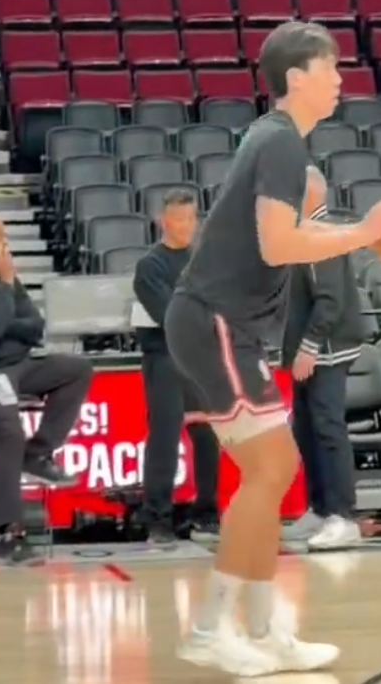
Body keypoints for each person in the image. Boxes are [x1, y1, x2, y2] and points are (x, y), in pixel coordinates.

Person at [165, 21, 381, 677]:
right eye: (331, 68)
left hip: (222, 323)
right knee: (273, 468)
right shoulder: (278, 139)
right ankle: (210, 629)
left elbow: (287, 237)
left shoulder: (275, 139)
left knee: (271, 472)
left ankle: (263, 628)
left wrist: (354, 231)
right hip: (217, 319)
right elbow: (278, 245)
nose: (341, 79)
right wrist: (363, 233)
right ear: (297, 76)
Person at [0, 212, 93, 564]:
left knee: (75, 369)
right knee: (7, 430)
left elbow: (34, 325)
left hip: (15, 363)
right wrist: (4, 287)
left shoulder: (0, 272)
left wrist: (4, 327)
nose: (4, 243)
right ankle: (9, 534)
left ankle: (37, 453)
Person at [282, 166, 364, 549]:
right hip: (307, 349)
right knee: (306, 429)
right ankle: (319, 508)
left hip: (326, 349)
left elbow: (329, 300)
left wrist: (310, 346)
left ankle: (343, 516)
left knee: (328, 429)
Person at [132, 189, 220, 548]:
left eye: (190, 218)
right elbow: (172, 316)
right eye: (179, 219)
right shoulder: (150, 266)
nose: (186, 225)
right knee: (165, 439)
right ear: (162, 221)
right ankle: (158, 519)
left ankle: (207, 513)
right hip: (165, 359)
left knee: (208, 436)